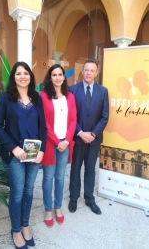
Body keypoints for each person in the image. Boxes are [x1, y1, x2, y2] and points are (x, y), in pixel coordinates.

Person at [0, 62, 47, 249]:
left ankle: (25, 225)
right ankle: (15, 230)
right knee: (17, 193)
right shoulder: (5, 98)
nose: (22, 76)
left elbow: (43, 127)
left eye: (26, 73)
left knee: (29, 191)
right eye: (18, 73)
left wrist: (43, 150)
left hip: (33, 152)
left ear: (30, 76)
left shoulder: (37, 98)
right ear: (13, 77)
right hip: (15, 153)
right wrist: (13, 148)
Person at [68, 59, 109, 215]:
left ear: (96, 73)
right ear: (82, 71)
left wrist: (93, 134)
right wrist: (79, 132)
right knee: (75, 169)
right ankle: (73, 198)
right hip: (77, 138)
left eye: (92, 70)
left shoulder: (103, 91)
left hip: (94, 140)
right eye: (86, 70)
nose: (88, 73)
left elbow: (104, 116)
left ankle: (89, 198)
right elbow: (70, 116)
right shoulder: (72, 90)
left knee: (90, 170)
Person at [40, 64, 76, 227]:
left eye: (60, 74)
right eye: (54, 75)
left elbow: (74, 120)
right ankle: (48, 209)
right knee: (48, 177)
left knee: (60, 177)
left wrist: (66, 141)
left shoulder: (70, 96)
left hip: (65, 142)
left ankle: (58, 207)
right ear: (50, 77)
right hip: (50, 143)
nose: (57, 77)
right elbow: (44, 123)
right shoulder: (43, 96)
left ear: (64, 77)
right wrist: (57, 142)